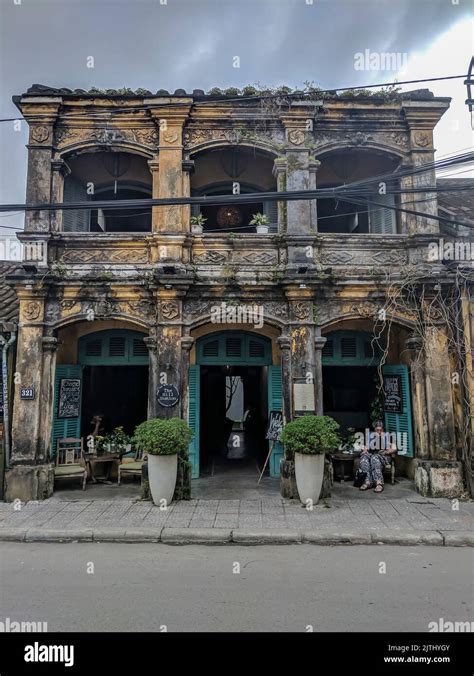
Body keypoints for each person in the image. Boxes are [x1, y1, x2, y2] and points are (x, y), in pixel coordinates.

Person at [358, 420, 397, 493]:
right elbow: (364, 446)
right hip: (371, 454)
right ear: (374, 429)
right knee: (364, 458)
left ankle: (379, 483)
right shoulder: (369, 435)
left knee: (374, 458)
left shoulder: (388, 436)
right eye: (377, 430)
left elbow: (394, 448)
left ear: (383, 429)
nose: (379, 432)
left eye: (381, 430)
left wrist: (387, 451)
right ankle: (367, 482)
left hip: (384, 456)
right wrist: (364, 449)